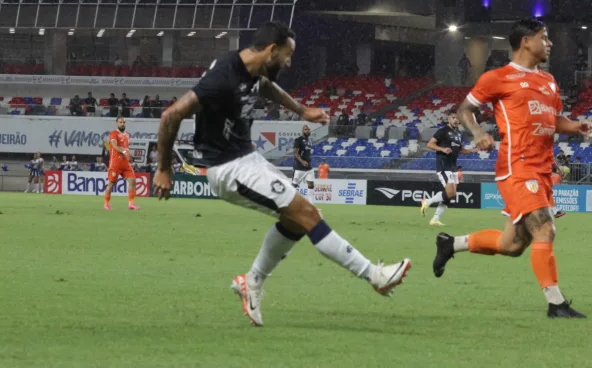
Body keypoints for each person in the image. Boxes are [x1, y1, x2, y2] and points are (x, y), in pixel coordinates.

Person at [152, 21, 411, 328]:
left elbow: (264, 86)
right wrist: (164, 169)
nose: (289, 63)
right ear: (271, 50)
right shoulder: (223, 75)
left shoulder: (251, 70)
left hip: (247, 159)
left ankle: (252, 282)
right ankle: (374, 275)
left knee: (296, 220)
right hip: (227, 168)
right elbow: (171, 115)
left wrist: (301, 110)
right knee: (308, 214)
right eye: (287, 56)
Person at [432, 19, 592, 319]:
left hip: (542, 168)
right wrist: (479, 134)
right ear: (525, 42)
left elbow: (553, 120)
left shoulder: (548, 81)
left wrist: (575, 126)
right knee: (545, 227)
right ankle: (556, 304)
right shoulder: (498, 78)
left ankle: (450, 244)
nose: (550, 43)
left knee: (514, 244)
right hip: (517, 166)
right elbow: (465, 110)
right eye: (544, 37)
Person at [420, 110, 478, 226]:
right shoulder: (443, 131)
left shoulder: (458, 134)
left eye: (457, 118)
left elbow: (460, 149)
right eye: (453, 118)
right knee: (450, 193)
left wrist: (472, 150)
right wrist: (442, 149)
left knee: (451, 196)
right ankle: (428, 201)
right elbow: (429, 144)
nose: (456, 120)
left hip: (453, 167)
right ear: (449, 119)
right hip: (443, 165)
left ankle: (435, 219)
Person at [103, 116, 139, 211]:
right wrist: (123, 151)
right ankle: (106, 204)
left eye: (124, 122)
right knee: (111, 184)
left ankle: (131, 204)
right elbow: (114, 146)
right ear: (117, 123)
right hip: (115, 163)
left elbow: (125, 147)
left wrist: (128, 154)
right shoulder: (114, 134)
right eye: (120, 122)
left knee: (132, 181)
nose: (122, 124)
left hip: (125, 163)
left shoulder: (127, 135)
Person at [291, 125, 315, 204]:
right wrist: (302, 161)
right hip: (299, 167)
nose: (307, 130)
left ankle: (310, 204)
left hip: (309, 167)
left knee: (311, 184)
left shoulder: (310, 141)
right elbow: (295, 152)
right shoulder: (298, 140)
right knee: (294, 186)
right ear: (302, 131)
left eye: (308, 129)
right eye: (305, 129)